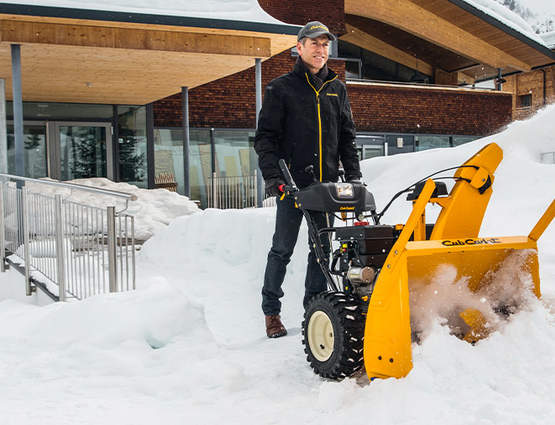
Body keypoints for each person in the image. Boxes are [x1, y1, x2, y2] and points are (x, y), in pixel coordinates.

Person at [254, 21, 361, 338]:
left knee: (322, 252)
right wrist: (274, 177)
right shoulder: (281, 88)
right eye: (314, 43)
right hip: (292, 185)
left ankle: (314, 311)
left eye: (325, 44)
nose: (320, 49)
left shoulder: (336, 89)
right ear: (299, 48)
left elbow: (346, 139)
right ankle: (271, 312)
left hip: (325, 187)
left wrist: (353, 177)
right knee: (282, 250)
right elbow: (265, 139)